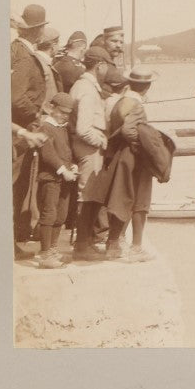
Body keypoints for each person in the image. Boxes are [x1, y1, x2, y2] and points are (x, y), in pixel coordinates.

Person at [88, 67, 157, 263]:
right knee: (140, 201)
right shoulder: (136, 104)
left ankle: (113, 244)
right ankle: (136, 247)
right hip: (134, 157)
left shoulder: (121, 102)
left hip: (121, 156)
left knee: (122, 198)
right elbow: (129, 130)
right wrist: (141, 144)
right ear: (147, 87)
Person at [10, 3, 50, 254]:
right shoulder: (24, 57)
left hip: (18, 130)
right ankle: (10, 246)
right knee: (16, 186)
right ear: (37, 31)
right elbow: (15, 96)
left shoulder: (15, 50)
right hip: (21, 132)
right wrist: (35, 113)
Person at [68, 48, 110, 260]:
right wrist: (101, 140)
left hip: (85, 147)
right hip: (89, 148)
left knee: (90, 195)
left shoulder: (81, 85)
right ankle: (82, 246)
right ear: (100, 65)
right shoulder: (87, 89)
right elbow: (84, 128)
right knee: (87, 196)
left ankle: (86, 243)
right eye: (106, 65)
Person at [33, 92, 78, 269]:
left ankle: (53, 249)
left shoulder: (63, 128)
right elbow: (48, 154)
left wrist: (73, 165)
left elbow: (67, 151)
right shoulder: (45, 127)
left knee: (61, 215)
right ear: (51, 108)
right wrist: (62, 170)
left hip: (64, 177)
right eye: (61, 112)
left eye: (68, 113)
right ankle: (45, 253)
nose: (64, 116)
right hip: (50, 178)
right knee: (49, 214)